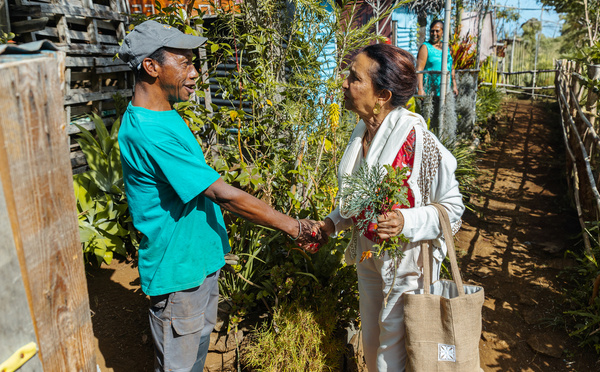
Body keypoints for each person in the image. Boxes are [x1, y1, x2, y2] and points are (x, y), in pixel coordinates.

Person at [117, 20, 326, 372]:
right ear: (151, 67)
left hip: (198, 266)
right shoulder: (149, 131)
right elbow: (222, 195)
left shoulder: (165, 114)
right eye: (184, 63)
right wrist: (294, 227)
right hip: (179, 276)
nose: (195, 73)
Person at [317, 44, 464, 371]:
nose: (344, 83)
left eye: (354, 78)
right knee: (372, 338)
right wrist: (332, 223)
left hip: (407, 260)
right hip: (369, 253)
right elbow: (358, 196)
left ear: (382, 95)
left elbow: (452, 211)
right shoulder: (362, 132)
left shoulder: (416, 141)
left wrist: (404, 220)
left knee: (393, 352)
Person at [416, 20, 458, 97]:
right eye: (432, 31)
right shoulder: (425, 47)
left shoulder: (447, 47)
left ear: (442, 32)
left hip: (446, 90)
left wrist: (454, 85)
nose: (434, 33)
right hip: (430, 91)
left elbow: (451, 67)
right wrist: (420, 89)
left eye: (437, 31)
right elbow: (419, 69)